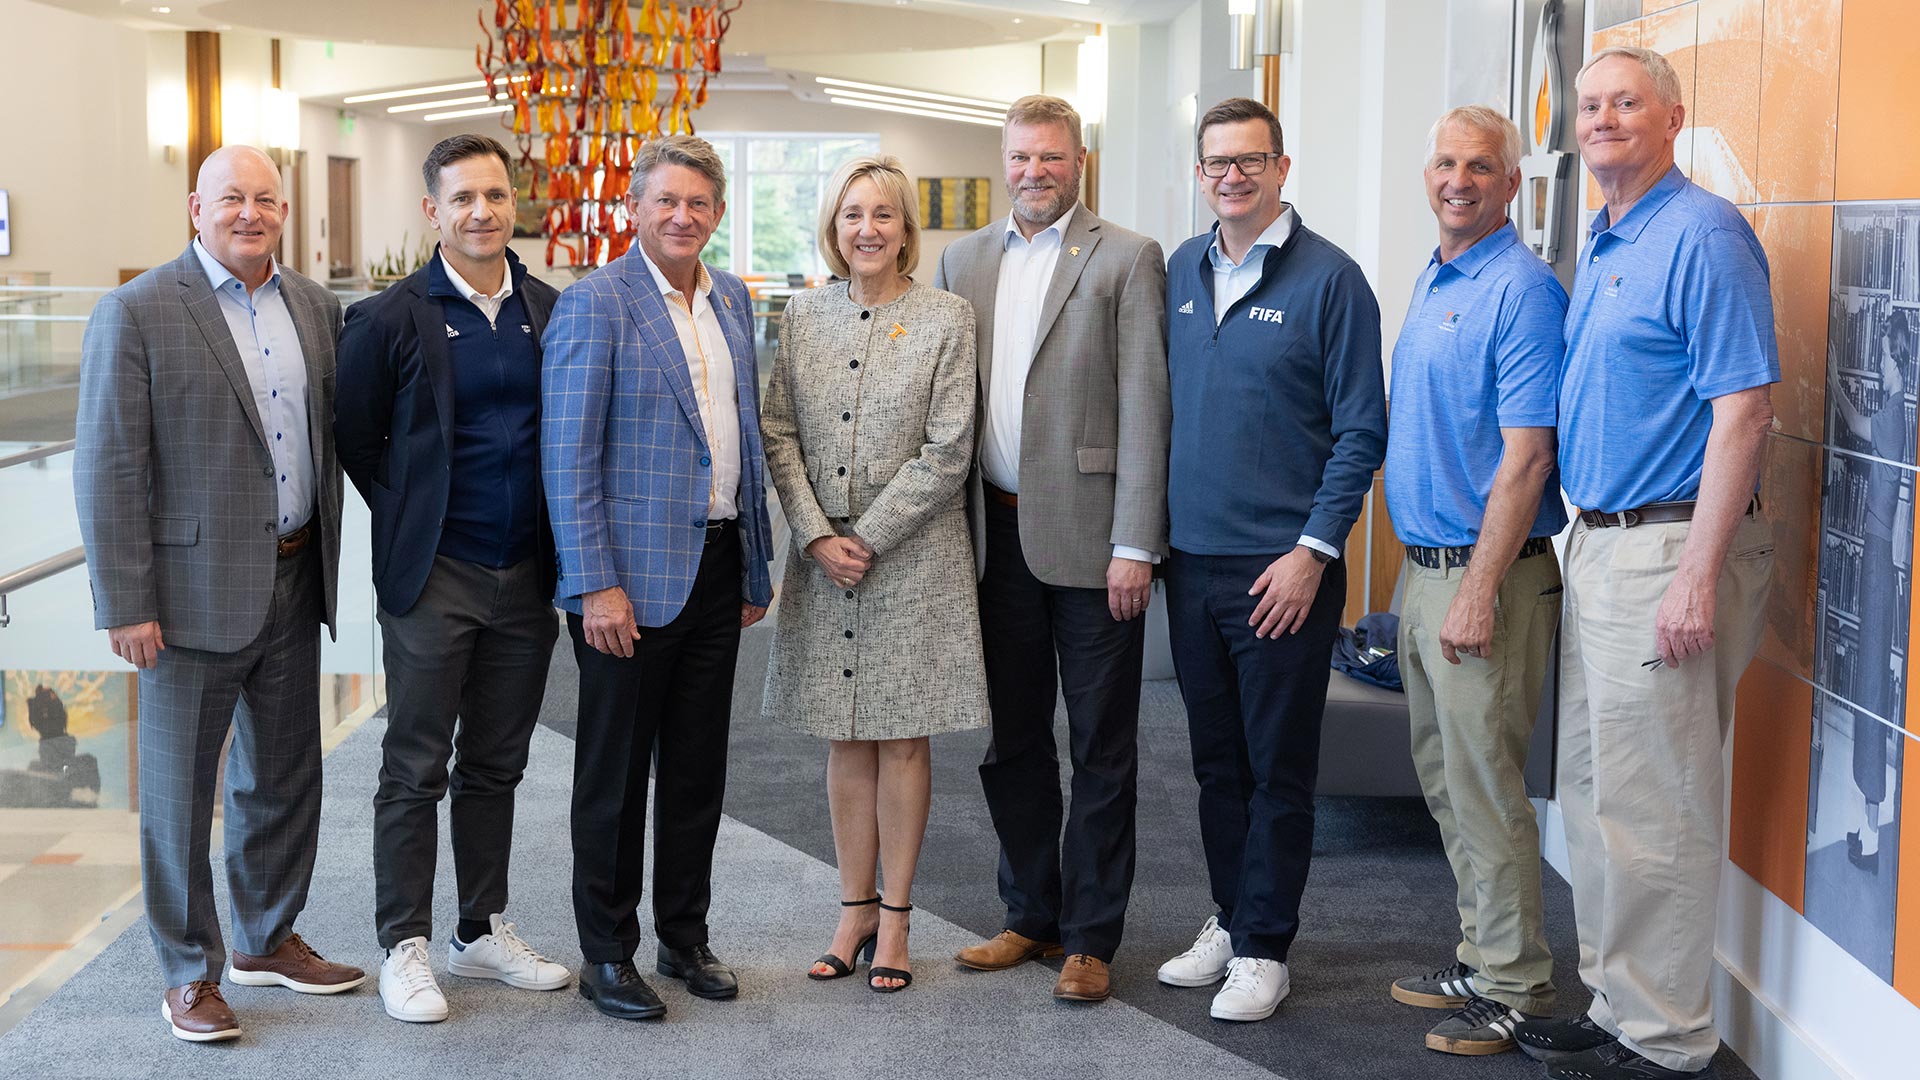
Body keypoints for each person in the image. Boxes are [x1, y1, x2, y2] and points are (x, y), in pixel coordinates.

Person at [1512, 47, 1778, 1080]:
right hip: (1604, 543)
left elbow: (1744, 413)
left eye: (1627, 102)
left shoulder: (1703, 236)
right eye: (1591, 105)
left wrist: (1696, 573)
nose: (1604, 118)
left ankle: (1665, 1039)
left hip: (1669, 543)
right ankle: (1624, 1005)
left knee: (1657, 806)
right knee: (1598, 796)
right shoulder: (1612, 235)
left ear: (1672, 118)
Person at [74, 144, 364, 1042]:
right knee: (177, 791)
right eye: (230, 197)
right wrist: (127, 600)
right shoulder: (138, 309)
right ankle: (188, 973)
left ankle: (267, 939)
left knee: (282, 777)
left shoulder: (316, 307)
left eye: (265, 198)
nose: (249, 211)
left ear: (285, 209)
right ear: (195, 208)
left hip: (294, 571)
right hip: (187, 595)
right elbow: (110, 464)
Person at [932, 93, 1169, 1004]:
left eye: (1053, 159)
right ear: (1006, 162)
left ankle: (1091, 936)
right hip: (991, 537)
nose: (1036, 173)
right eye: (1022, 158)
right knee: (1012, 741)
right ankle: (1030, 912)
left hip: (1093, 542)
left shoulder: (1126, 256)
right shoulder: (964, 258)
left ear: (1081, 163)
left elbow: (1148, 409)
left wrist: (1136, 543)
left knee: (1103, 746)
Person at [1157, 97, 1387, 1023]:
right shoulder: (1180, 269)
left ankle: (1265, 948)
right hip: (1192, 563)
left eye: (1250, 160)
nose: (1232, 176)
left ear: (1281, 168)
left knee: (1277, 766)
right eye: (1216, 163)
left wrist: (1312, 554)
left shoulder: (1333, 280)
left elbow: (1361, 431)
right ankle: (1230, 915)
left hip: (1282, 569)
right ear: (1200, 172)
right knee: (1215, 763)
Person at [335, 133, 570, 1024]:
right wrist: (414, 520)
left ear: (515, 205)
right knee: (414, 766)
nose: (482, 212)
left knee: (497, 766)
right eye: (463, 197)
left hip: (527, 575)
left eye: (496, 196)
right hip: (436, 575)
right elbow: (359, 440)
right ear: (433, 210)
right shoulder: (390, 318)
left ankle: (479, 931)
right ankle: (404, 943)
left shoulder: (549, 308)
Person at [541, 133, 774, 1022]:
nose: (682, 216)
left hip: (716, 568)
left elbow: (743, 442)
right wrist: (594, 583)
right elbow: (568, 456)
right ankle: (608, 952)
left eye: (699, 204)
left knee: (696, 771)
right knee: (612, 775)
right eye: (665, 201)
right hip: (627, 586)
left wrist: (754, 559)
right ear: (633, 209)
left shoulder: (735, 302)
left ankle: (685, 934)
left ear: (717, 214)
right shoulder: (596, 303)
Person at [760, 154, 987, 994]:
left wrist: (872, 535)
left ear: (905, 230)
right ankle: (851, 910)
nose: (867, 229)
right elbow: (776, 430)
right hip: (823, 561)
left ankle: (895, 918)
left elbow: (949, 447)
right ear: (834, 227)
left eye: (883, 214)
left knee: (901, 733)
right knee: (843, 733)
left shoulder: (947, 317)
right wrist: (818, 536)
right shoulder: (804, 317)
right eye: (853, 214)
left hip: (915, 560)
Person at [1382, 105, 1567, 1056]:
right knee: (1446, 782)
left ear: (1511, 184)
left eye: (1481, 166)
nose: (1459, 179)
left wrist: (1474, 587)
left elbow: (1529, 457)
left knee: (1486, 788)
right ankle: (1481, 951)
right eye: (1446, 162)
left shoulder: (1523, 290)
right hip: (1427, 571)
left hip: (1483, 577)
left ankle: (1516, 986)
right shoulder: (1439, 276)